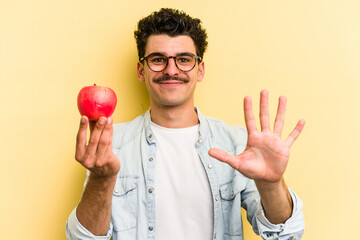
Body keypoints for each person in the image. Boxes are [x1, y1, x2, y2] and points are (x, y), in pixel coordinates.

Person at [66, 8, 305, 240]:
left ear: (200, 70)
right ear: (141, 70)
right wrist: (101, 180)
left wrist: (272, 184)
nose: (171, 70)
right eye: (158, 59)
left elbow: (287, 235)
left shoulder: (237, 144)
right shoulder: (112, 143)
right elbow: (83, 239)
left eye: (184, 59)